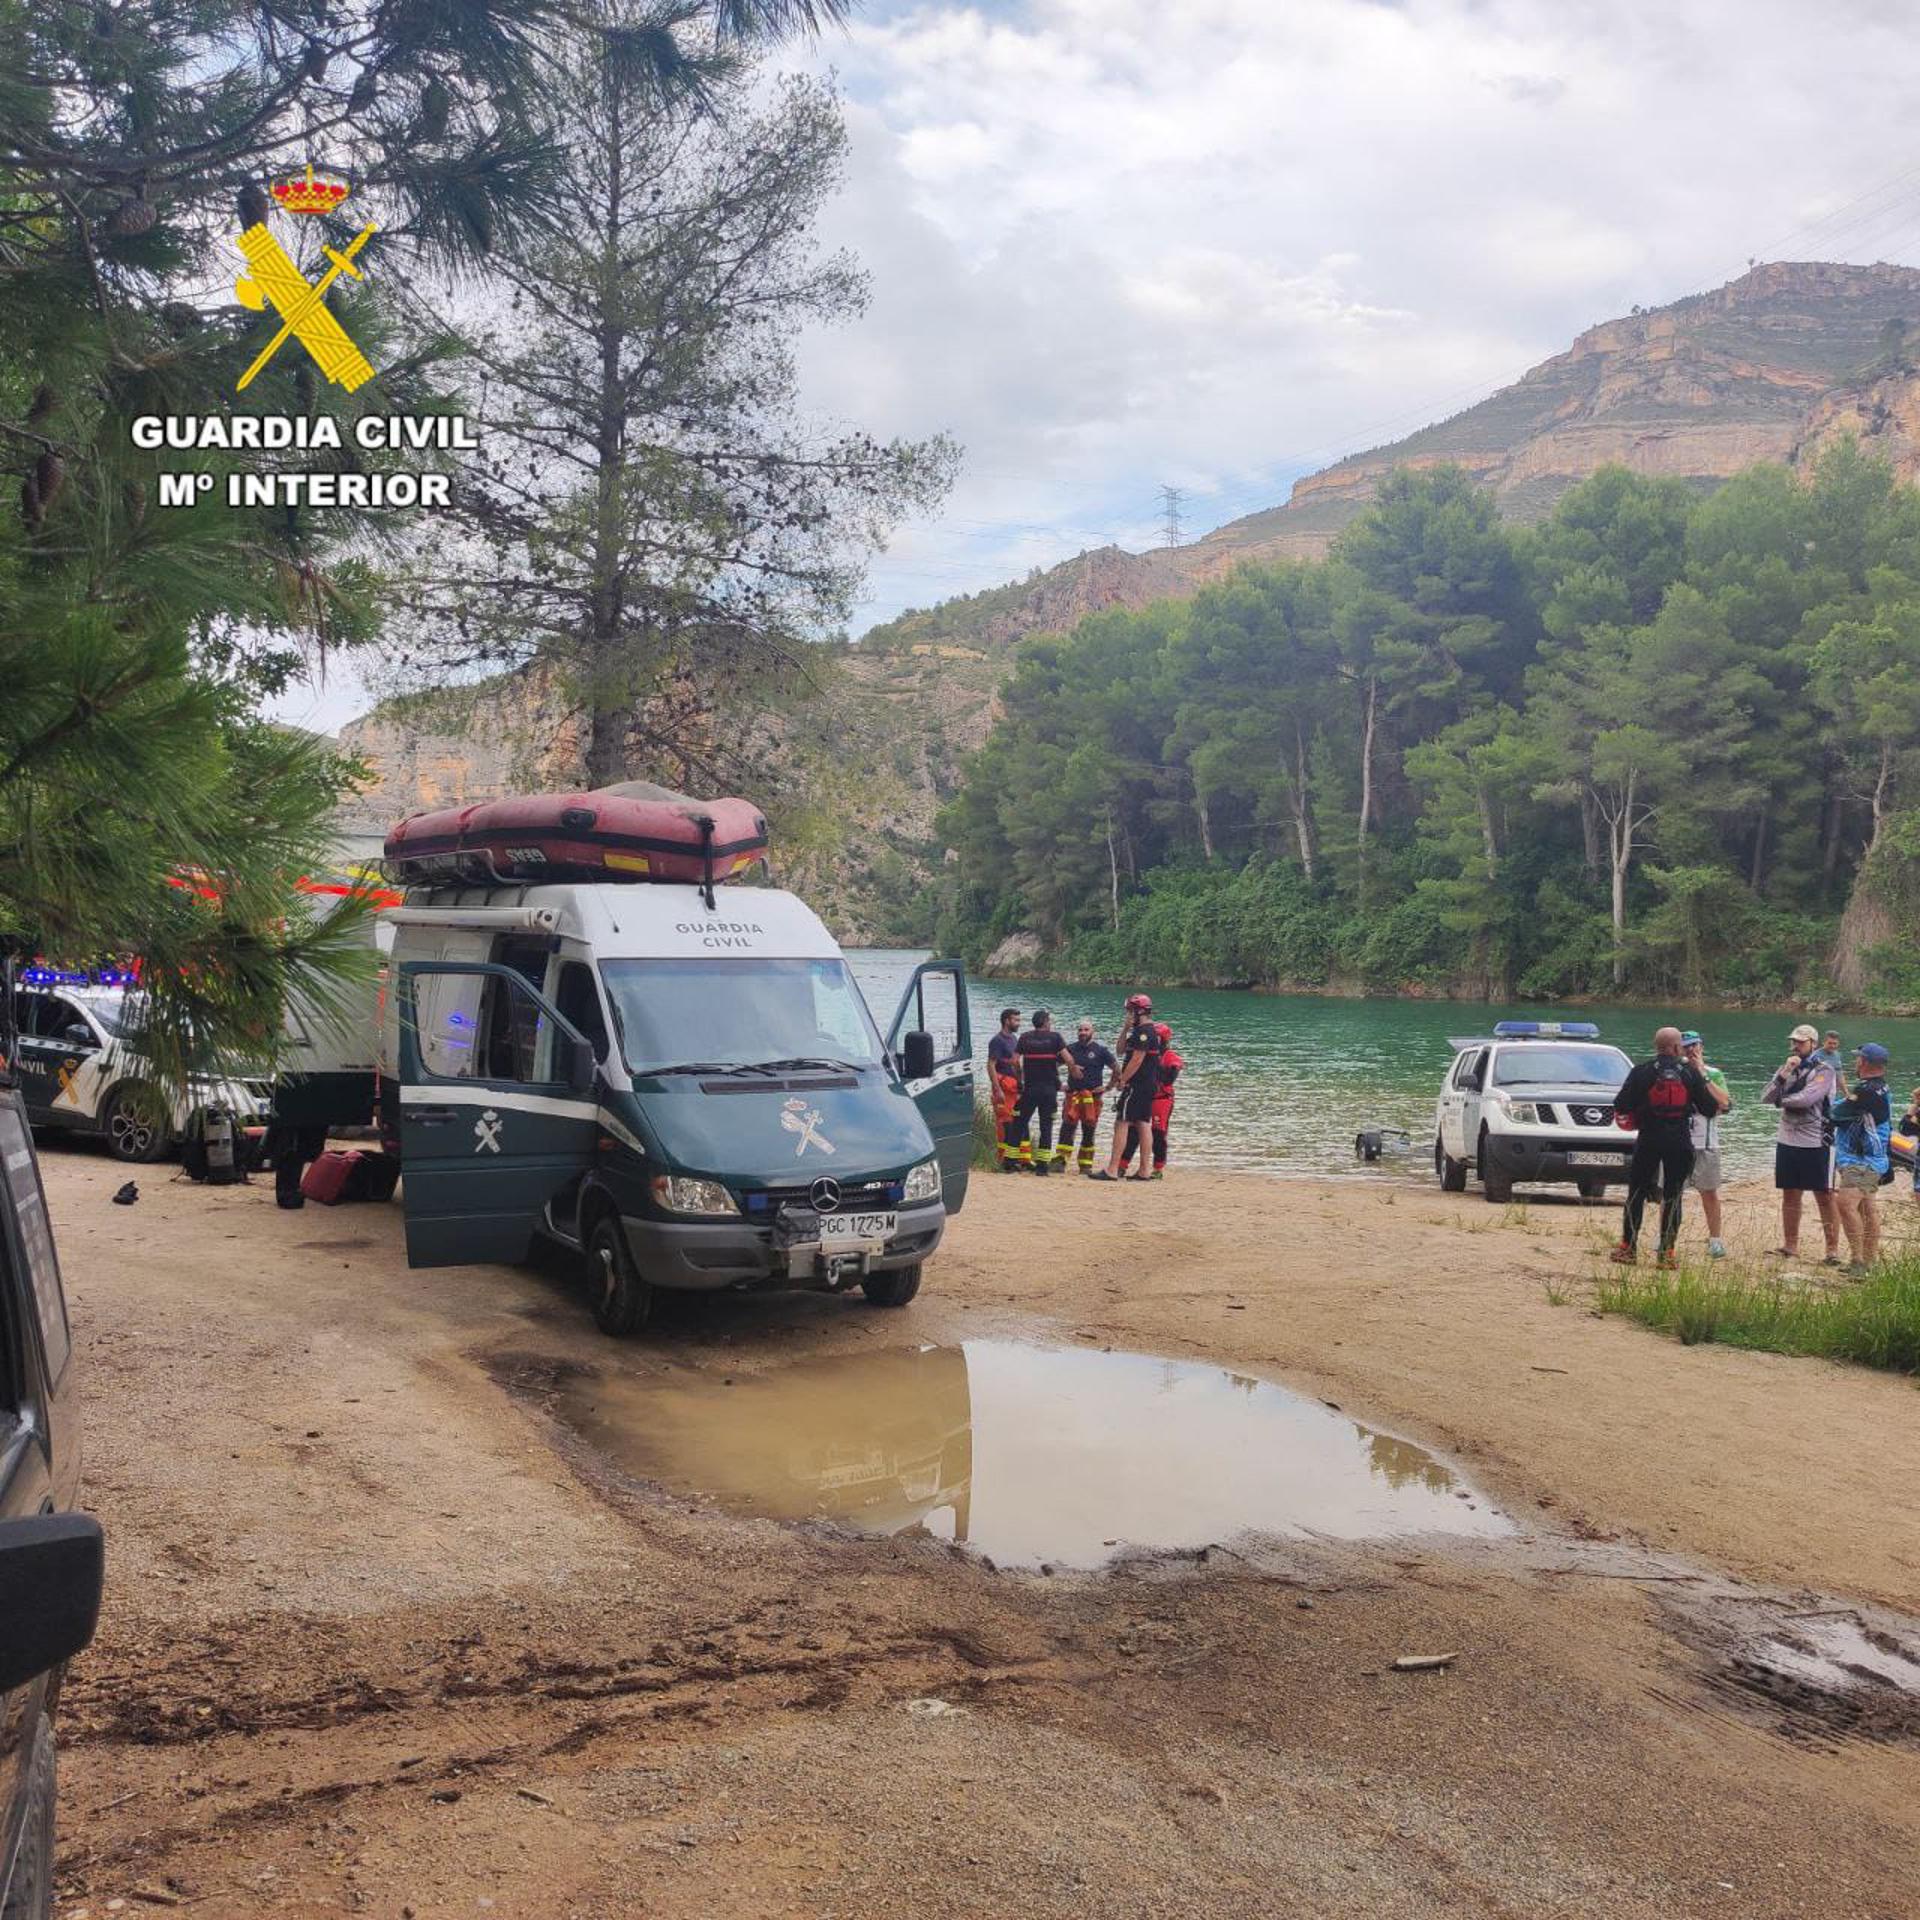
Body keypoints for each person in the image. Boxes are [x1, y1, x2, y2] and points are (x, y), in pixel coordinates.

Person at [1611, 1027, 1721, 1266]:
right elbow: (1710, 1109)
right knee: (1673, 1196)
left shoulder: (1641, 1071)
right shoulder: (1690, 1073)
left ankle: (1628, 1248)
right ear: (1675, 1048)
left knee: (1636, 1194)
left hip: (1648, 1139)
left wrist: (1640, 1111)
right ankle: (1667, 1254)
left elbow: (1621, 1104)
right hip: (1680, 1142)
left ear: (1657, 1047)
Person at [1762, 1023, 1841, 1264]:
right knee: (1790, 1193)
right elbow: (1765, 1096)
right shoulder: (1788, 1067)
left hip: (1817, 1140)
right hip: (1788, 1140)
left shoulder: (1824, 1070)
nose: (1795, 1046)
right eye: (1794, 1041)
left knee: (1824, 1195)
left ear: (1813, 1044)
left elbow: (1808, 1098)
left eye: (1801, 1042)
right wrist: (1784, 1073)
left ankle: (1832, 1250)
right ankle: (1790, 1245)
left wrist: (1780, 1100)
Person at [1830, 1042, 1892, 1270]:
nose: (1855, 1062)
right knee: (1867, 1207)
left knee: (1845, 1204)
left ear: (1864, 1062)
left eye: (1858, 1058)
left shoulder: (1865, 1091)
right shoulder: (1881, 1087)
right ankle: (1869, 1261)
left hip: (1863, 1159)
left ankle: (1858, 1261)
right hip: (1871, 1158)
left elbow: (1835, 1114)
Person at [1091, 994, 1161, 1183]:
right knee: (1142, 1123)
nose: (1128, 1015)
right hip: (1146, 1086)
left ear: (1139, 1011)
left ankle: (1113, 1169)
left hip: (1137, 1085)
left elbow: (1137, 1059)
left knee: (1122, 1122)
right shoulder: (1139, 1032)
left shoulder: (1144, 1032)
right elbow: (1120, 1051)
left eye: (1130, 1011)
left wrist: (1122, 1079)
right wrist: (1125, 1029)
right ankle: (1145, 1170)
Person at [1679, 1031, 1733, 1258]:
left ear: (1701, 1046)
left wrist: (1703, 1074)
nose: (1691, 1050)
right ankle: (1665, 1235)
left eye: (1695, 1045)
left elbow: (1725, 1103)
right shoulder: (1675, 1073)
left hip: (1707, 1143)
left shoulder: (1714, 1073)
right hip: (1679, 1142)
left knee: (1709, 1193)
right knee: (1671, 1193)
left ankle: (1715, 1240)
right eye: (1686, 1046)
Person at [1119, 1020, 1184, 1177]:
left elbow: (1169, 1079)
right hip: (1145, 1095)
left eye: (1157, 1038)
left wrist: (1153, 1065)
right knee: (1133, 1131)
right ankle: (1122, 1165)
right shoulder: (1145, 1053)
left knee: (1158, 1133)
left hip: (1161, 1099)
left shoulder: (1170, 1057)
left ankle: (1158, 1168)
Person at [1012, 1009, 1067, 1176]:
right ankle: (1042, 1167)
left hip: (1030, 1089)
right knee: (1046, 1127)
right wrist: (1074, 1071)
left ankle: (1010, 1162)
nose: (1050, 1023)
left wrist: (1019, 1078)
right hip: (1049, 1091)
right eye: (1049, 1020)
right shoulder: (1055, 1037)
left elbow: (1014, 1061)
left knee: (1019, 1123)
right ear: (1045, 1022)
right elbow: (1069, 1058)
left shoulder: (1025, 1037)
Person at [1060, 1019, 1117, 1173]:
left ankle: (1085, 1165)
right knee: (1067, 1128)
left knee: (1089, 1130)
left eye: (1086, 1030)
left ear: (1093, 1032)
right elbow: (1052, 1065)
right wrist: (1058, 1084)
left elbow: (1116, 1069)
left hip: (1093, 1098)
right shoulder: (1069, 1049)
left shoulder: (1100, 1050)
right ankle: (1060, 1161)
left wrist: (1108, 1087)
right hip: (1073, 1096)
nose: (1082, 1033)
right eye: (1080, 1030)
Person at [987, 1008, 1022, 1172]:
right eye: (1016, 1020)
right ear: (1007, 1021)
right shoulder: (997, 1040)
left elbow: (1016, 1064)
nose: (1018, 1023)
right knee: (1004, 1124)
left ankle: (1012, 1159)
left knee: (1014, 1123)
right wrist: (997, 1088)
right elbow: (991, 1064)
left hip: (1014, 1087)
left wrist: (1021, 1084)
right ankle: (1002, 1160)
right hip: (1003, 1088)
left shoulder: (1014, 1039)